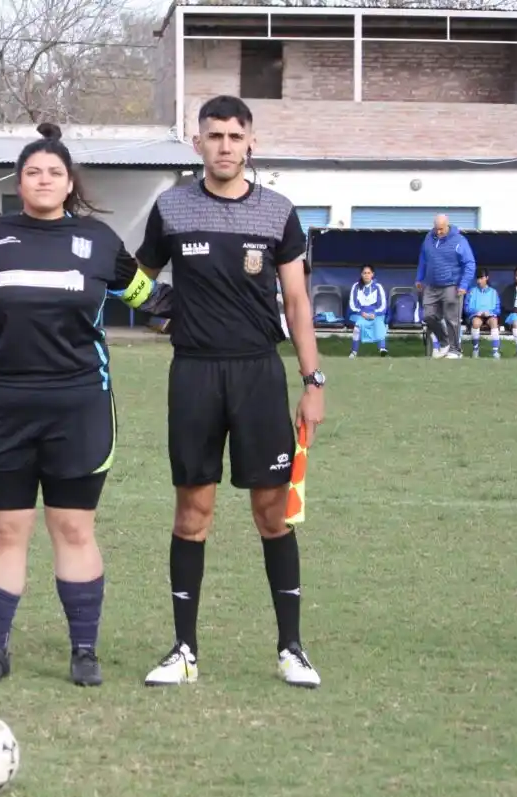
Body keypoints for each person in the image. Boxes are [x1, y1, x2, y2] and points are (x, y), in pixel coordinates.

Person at [0, 123, 166, 687]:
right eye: (32, 172)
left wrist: (222, 313)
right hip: (0, 407)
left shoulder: (99, 242)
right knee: (5, 531)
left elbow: (149, 299)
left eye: (53, 172)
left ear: (69, 182)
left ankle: (84, 652)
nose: (43, 180)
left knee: (74, 529)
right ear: (18, 182)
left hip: (79, 407)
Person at [134, 95, 325, 689]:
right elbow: (135, 280)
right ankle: (183, 650)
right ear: (197, 144)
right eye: (213, 135)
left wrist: (312, 379)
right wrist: (167, 312)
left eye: (233, 136)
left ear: (250, 144)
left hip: (258, 374)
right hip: (193, 373)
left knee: (272, 512)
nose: (223, 145)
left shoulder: (278, 213)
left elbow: (296, 301)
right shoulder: (170, 208)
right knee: (193, 512)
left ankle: (291, 648)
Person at [416, 213, 475, 360]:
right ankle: (444, 342)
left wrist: (464, 284)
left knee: (452, 319)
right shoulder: (428, 238)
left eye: (441, 229)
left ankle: (455, 350)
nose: (439, 232)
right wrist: (419, 278)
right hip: (431, 285)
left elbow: (469, 263)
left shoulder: (459, 241)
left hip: (452, 286)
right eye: (436, 228)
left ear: (447, 225)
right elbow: (423, 259)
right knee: (427, 315)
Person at [347, 265, 388, 358]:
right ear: (361, 274)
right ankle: (354, 351)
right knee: (358, 326)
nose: (366, 275)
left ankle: (382, 349)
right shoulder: (356, 287)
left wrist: (375, 314)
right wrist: (362, 313)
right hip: (359, 314)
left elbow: (383, 305)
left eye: (369, 273)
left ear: (372, 274)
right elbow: (352, 305)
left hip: (375, 314)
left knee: (379, 323)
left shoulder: (378, 287)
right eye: (364, 273)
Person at [464, 268, 502, 359]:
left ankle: (495, 352)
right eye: (478, 278)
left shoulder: (493, 292)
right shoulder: (472, 291)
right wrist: (477, 312)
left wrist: (490, 312)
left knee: (494, 321)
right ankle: (475, 350)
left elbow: (498, 310)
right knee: (476, 322)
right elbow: (466, 308)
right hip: (476, 316)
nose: (479, 281)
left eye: (481, 278)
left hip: (489, 316)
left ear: (487, 278)